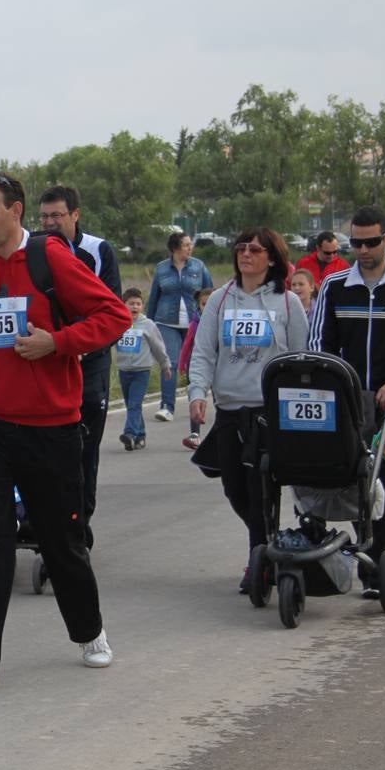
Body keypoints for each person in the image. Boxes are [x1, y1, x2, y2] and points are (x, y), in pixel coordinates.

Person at [0, 172, 130, 690]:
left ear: (15, 211)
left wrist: (58, 342)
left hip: (51, 429)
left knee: (61, 542)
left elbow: (113, 316)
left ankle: (90, 633)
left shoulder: (50, 259)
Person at [307, 206, 385, 599]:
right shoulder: (335, 286)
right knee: (339, 476)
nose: (362, 250)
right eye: (355, 242)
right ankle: (329, 552)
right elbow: (318, 343)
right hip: (345, 402)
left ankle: (381, 561)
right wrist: (333, 384)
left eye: (370, 242)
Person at [188, 228, 308, 592]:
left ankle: (259, 560)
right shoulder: (222, 300)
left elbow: (300, 358)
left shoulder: (288, 304)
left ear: (271, 258)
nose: (245, 254)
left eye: (255, 249)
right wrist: (198, 390)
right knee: (234, 488)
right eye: (240, 248)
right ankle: (269, 540)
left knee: (260, 488)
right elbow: (204, 350)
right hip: (229, 409)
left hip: (267, 412)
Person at [37, 185, 122, 543]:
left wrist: (82, 345)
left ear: (75, 215)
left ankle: (78, 522)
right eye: (44, 217)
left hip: (89, 363)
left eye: (57, 215)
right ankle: (40, 518)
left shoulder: (98, 251)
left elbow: (113, 313)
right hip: (47, 361)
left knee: (84, 450)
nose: (50, 223)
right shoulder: (34, 250)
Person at [148, 231, 213, 425]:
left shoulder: (199, 266)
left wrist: (212, 320)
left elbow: (210, 294)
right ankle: (167, 407)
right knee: (171, 362)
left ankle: (197, 403)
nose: (190, 248)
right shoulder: (161, 269)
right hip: (166, 323)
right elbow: (154, 298)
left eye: (190, 244)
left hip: (194, 323)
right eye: (186, 245)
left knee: (195, 364)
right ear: (175, 248)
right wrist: (149, 325)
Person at [114, 287, 172, 451]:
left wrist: (165, 364)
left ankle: (130, 434)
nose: (135, 307)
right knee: (131, 405)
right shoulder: (118, 323)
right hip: (124, 370)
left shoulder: (148, 325)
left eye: (138, 304)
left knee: (134, 404)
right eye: (131, 304)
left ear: (142, 306)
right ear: (123, 305)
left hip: (141, 371)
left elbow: (158, 347)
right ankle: (140, 435)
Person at [176, 288, 214, 449]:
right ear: (199, 306)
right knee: (196, 397)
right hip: (197, 365)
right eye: (204, 304)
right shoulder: (195, 323)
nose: (207, 307)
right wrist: (182, 363)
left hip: (217, 367)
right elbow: (187, 345)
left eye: (211, 303)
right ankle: (195, 434)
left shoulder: (223, 322)